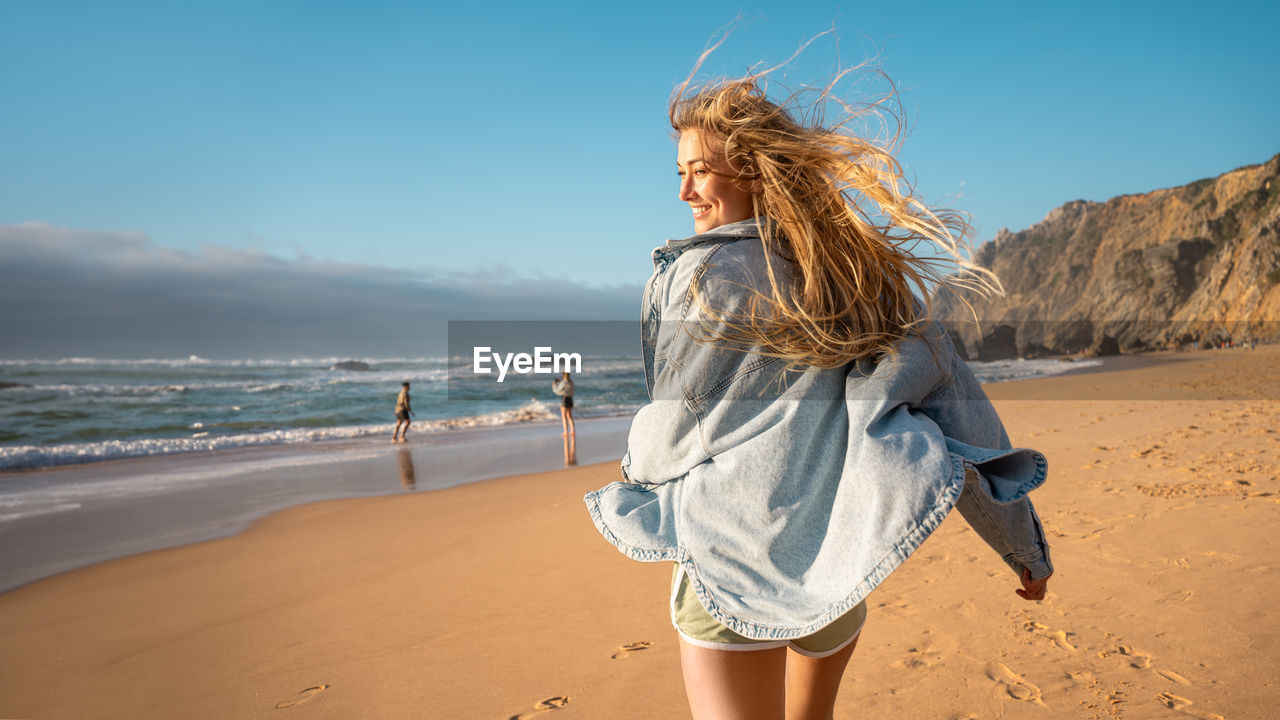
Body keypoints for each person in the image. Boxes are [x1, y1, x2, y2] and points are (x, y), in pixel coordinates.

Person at [583, 70, 1053, 720]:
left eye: (699, 171)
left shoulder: (698, 276)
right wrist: (1021, 545)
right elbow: (957, 405)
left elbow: (679, 427)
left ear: (751, 170)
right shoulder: (858, 269)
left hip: (734, 564)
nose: (686, 189)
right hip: (835, 564)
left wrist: (638, 480)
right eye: (679, 173)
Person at [552, 371, 576, 436]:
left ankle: (566, 431)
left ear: (563, 376)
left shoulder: (563, 383)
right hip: (570, 399)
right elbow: (571, 390)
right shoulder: (572, 383)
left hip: (564, 399)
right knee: (569, 416)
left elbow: (557, 390)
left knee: (564, 416)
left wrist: (554, 384)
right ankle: (573, 430)